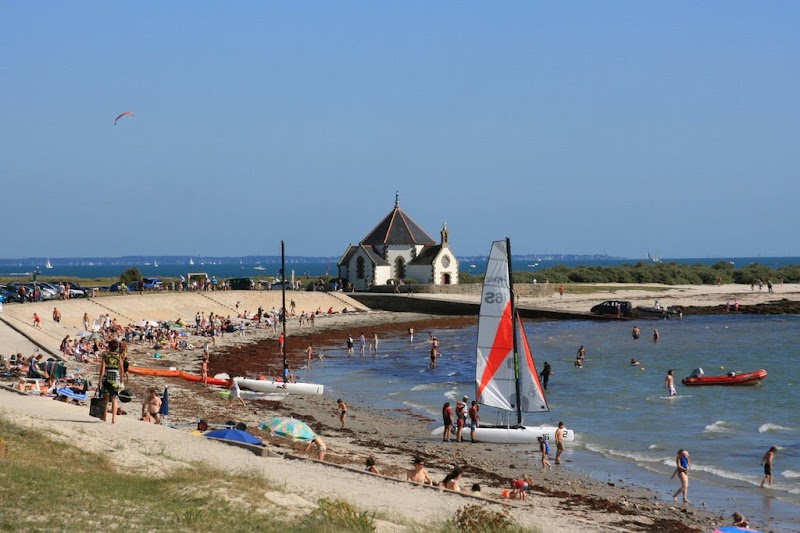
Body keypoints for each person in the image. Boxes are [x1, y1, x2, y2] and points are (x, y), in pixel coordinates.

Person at [98, 340, 125, 424]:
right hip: (116, 377)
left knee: (106, 398)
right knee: (114, 398)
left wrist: (100, 379)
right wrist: (121, 379)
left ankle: (104, 417)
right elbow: (121, 368)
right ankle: (113, 419)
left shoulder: (105, 355)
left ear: (109, 346)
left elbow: (102, 368)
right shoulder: (118, 355)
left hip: (107, 376)